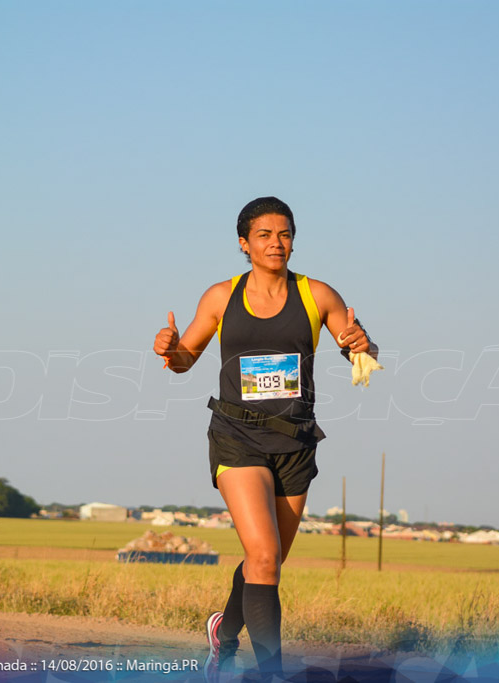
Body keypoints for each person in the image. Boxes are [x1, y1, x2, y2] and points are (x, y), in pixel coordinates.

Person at [153, 197, 377, 680]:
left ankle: (223, 634)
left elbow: (357, 347)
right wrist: (170, 349)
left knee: (266, 563)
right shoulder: (220, 297)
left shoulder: (318, 295)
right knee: (264, 556)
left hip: (295, 443)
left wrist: (363, 343)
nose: (276, 243)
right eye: (264, 235)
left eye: (285, 234)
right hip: (237, 437)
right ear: (244, 244)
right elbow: (184, 359)